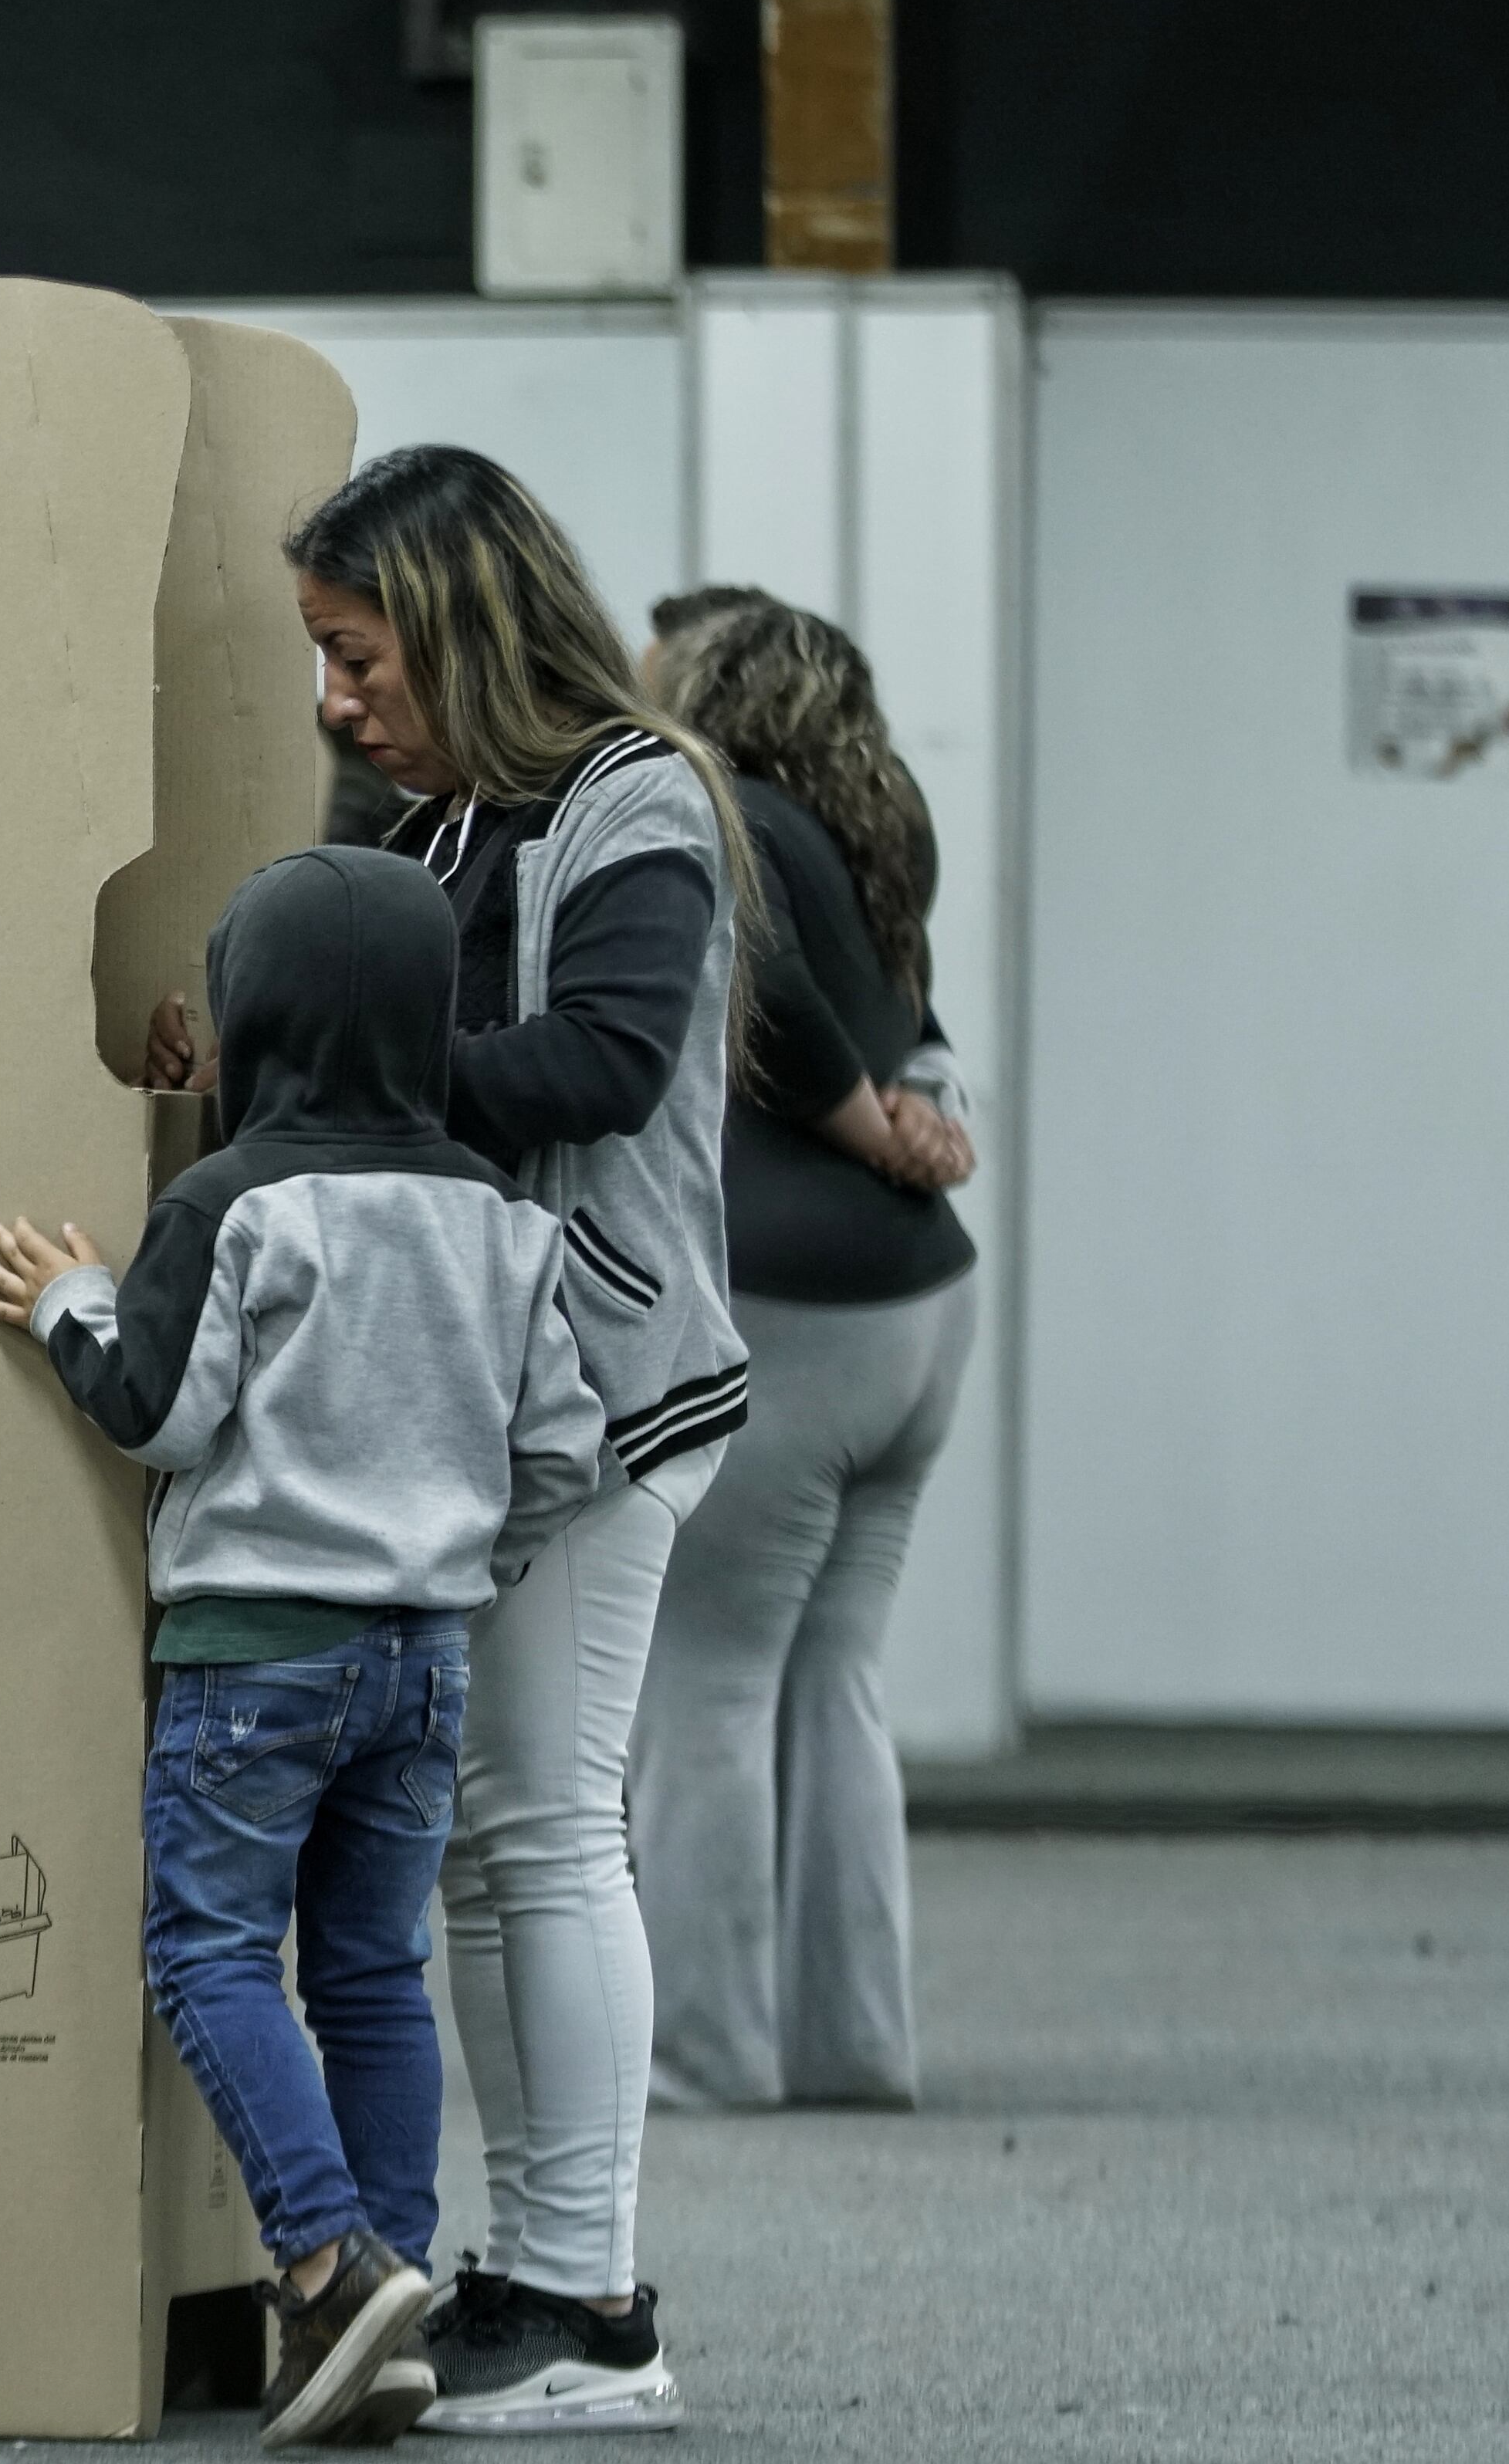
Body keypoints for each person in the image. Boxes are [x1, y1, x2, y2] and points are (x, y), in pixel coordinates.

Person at [145, 445, 753, 2435]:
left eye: (354, 650)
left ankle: (591, 2303)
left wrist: (335, 1084)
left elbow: (603, 1055)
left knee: (546, 1833)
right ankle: (529, 2270)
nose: (335, 697)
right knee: (496, 1858)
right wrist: (257, 1050)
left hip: (600, 1388)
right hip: (496, 1402)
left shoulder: (634, 798)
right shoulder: (435, 834)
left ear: (458, 615)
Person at [0, 846, 604, 2451]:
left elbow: (154, 1408)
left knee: (204, 1949)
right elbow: (562, 1452)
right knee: (371, 1969)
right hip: (421, 1661)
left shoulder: (229, 1201)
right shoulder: (496, 1215)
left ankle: (324, 2263)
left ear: (250, 1007)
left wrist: (69, 1301)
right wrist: (460, 1551)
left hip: (253, 1653)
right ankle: (386, 2294)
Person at [625, 590, 979, 2111]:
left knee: (700, 1677)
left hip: (781, 1308)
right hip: (915, 1320)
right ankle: (853, 2041)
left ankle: (705, 2050)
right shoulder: (873, 827)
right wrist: (915, 1122)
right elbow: (923, 1034)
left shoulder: (730, 815)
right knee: (835, 1671)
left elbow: (766, 1017)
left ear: (717, 688)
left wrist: (861, 1129)